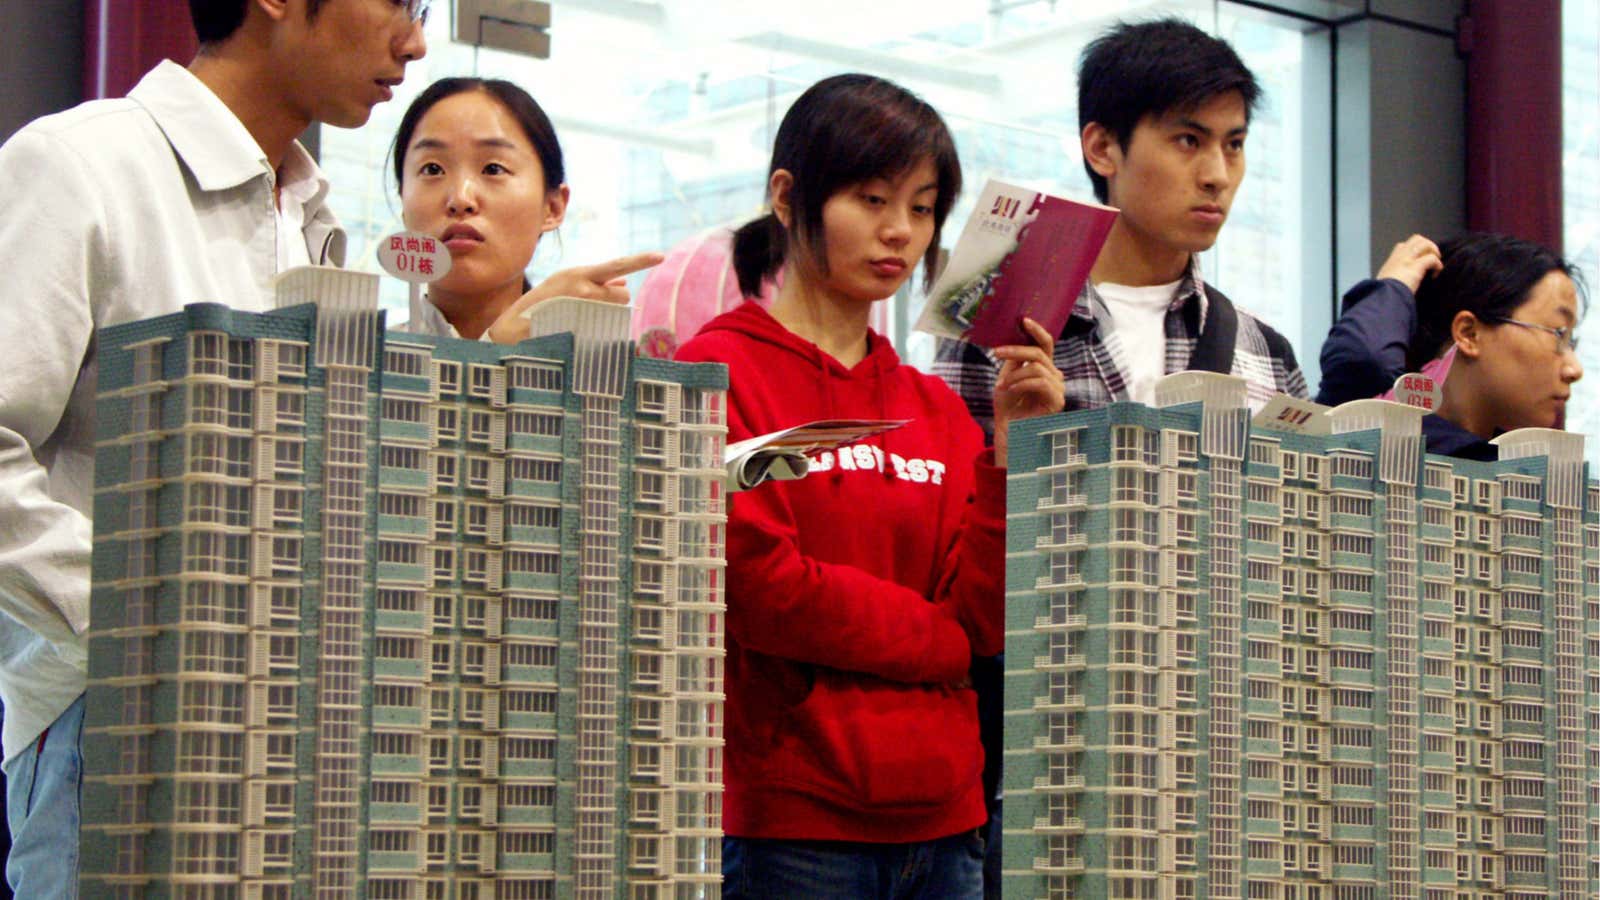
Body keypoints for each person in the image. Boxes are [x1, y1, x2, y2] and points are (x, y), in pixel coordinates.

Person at [0, 1, 428, 893]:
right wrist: (144, 629)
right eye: (398, 1)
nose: (415, 40)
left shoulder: (311, 215)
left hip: (292, 732)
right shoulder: (84, 162)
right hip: (116, 716)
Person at [929, 19, 1308, 896]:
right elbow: (953, 537)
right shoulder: (1004, 324)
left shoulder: (1261, 349)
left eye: (1234, 144)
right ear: (1102, 145)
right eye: (1186, 140)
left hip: (1221, 735)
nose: (1218, 173)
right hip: (1048, 727)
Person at [675, 73, 1064, 900]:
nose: (899, 232)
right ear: (788, 196)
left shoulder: (935, 410)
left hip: (950, 823)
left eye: (922, 208)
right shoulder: (719, 373)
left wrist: (1008, 449)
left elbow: (987, 621)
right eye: (872, 198)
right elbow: (762, 589)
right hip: (793, 824)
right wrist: (939, 641)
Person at [393, 77, 663, 341]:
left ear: (553, 207)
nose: (460, 199)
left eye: (493, 169)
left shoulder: (600, 373)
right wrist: (499, 343)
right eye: (432, 169)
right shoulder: (361, 354)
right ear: (403, 203)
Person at [1318, 231, 1584, 459]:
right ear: (1468, 333)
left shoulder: (1517, 470)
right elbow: (1364, 360)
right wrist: (1393, 288)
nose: (1574, 369)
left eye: (1570, 340)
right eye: (1557, 334)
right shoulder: (1368, 432)